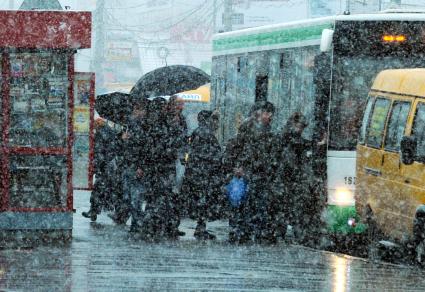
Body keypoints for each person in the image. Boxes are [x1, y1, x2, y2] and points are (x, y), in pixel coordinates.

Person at [226, 101, 279, 243]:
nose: (270, 116)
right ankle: (243, 231)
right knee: (247, 202)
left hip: (257, 172)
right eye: (267, 113)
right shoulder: (250, 128)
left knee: (253, 202)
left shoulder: (264, 128)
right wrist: (239, 166)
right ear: (260, 113)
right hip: (250, 172)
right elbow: (240, 148)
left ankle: (245, 231)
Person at [276, 112, 326, 243]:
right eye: (300, 126)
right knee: (288, 208)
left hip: (289, 180)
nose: (301, 129)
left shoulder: (289, 136)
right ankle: (285, 234)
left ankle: (285, 234)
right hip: (286, 179)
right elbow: (297, 144)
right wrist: (316, 144)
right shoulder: (287, 136)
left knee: (290, 209)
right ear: (293, 123)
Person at [141, 97, 184, 239]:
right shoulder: (160, 123)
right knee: (160, 196)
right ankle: (155, 225)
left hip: (163, 165)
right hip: (161, 166)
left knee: (162, 197)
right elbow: (162, 144)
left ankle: (159, 225)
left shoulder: (175, 121)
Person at [182, 110, 222, 240]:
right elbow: (208, 155)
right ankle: (201, 228)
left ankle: (201, 227)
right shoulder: (205, 134)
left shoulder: (200, 132)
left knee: (201, 201)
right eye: (214, 119)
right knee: (203, 202)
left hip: (199, 173)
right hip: (202, 174)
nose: (217, 123)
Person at [120, 99, 150, 232]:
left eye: (139, 109)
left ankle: (137, 222)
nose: (136, 112)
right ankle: (137, 220)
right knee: (128, 196)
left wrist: (140, 166)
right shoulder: (130, 125)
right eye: (135, 109)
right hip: (128, 164)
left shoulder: (143, 126)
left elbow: (142, 148)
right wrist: (123, 138)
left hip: (135, 165)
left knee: (135, 197)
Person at [82, 118, 116, 221]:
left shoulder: (101, 134)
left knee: (98, 189)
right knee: (107, 189)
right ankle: (101, 209)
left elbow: (99, 152)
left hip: (104, 167)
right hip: (110, 166)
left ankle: (94, 210)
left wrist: (96, 166)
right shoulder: (111, 132)